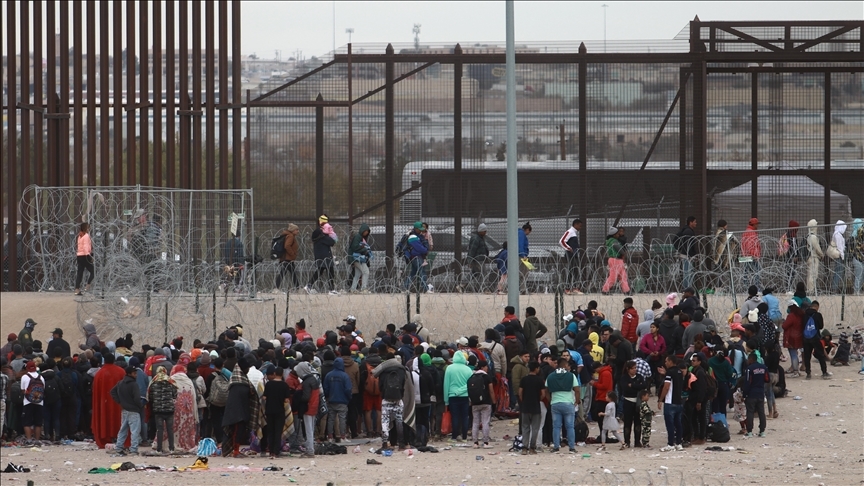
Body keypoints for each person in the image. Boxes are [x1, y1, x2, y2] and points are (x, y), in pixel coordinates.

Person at [223, 362, 260, 458]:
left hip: (239, 411)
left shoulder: (240, 381)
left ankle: (235, 450)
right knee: (237, 431)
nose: (248, 370)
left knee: (239, 431)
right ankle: (235, 451)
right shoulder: (239, 383)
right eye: (247, 368)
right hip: (237, 412)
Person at [373, 354, 407, 450]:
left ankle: (385, 443)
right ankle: (401, 444)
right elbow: (403, 383)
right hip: (398, 399)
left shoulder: (383, 372)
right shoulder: (401, 370)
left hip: (386, 399)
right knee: (399, 421)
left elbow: (380, 386)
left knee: (385, 421)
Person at [546, 356, 579, 453]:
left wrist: (550, 400)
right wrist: (576, 401)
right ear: (565, 365)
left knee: (556, 426)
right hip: (568, 403)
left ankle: (556, 446)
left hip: (555, 403)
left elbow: (546, 390)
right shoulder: (571, 375)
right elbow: (577, 390)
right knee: (570, 426)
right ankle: (571, 447)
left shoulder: (551, 376)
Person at [92, 353, 125, 449]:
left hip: (103, 402)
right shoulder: (121, 372)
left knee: (104, 419)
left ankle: (105, 438)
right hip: (119, 403)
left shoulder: (99, 374)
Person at [110, 364, 143, 456]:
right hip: (134, 411)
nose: (136, 375)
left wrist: (120, 401)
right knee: (135, 431)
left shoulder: (120, 383)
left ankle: (119, 447)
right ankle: (133, 450)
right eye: (134, 373)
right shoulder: (134, 385)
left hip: (124, 410)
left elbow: (112, 392)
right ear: (129, 374)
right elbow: (137, 398)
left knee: (123, 430)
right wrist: (140, 406)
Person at [169, 354, 199, 451]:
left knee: (172, 427)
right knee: (184, 429)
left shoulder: (171, 380)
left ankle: (170, 445)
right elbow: (193, 397)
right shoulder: (188, 381)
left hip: (173, 409)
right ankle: (185, 444)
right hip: (187, 410)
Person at [444, 350, 473, 443]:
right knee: (465, 416)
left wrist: (446, 400)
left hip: (452, 396)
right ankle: (464, 437)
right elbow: (470, 384)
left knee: (455, 416)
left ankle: (454, 436)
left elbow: (446, 384)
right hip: (465, 396)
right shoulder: (468, 369)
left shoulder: (449, 368)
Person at [147, 366, 177, 454]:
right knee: (170, 429)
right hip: (169, 410)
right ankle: (171, 448)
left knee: (159, 429)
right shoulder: (170, 382)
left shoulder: (153, 382)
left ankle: (159, 449)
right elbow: (175, 395)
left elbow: (150, 397)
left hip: (158, 410)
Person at [262, 366, 290, 458]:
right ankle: (276, 451)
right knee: (278, 431)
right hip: (279, 411)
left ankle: (270, 451)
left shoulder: (269, 384)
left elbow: (264, 397)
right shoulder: (284, 385)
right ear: (282, 374)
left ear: (274, 373)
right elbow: (286, 400)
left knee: (270, 431)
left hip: (269, 410)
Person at [658, 355, 684, 452]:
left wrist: (661, 399)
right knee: (678, 424)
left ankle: (670, 444)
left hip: (670, 402)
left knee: (670, 424)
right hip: (679, 401)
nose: (665, 363)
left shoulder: (670, 372)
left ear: (670, 361)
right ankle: (679, 443)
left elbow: (666, 387)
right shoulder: (680, 372)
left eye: (666, 361)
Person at [305, 218, 338, 295]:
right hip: (325, 257)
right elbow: (332, 242)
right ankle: (331, 289)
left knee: (319, 272)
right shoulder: (322, 237)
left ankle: (309, 285)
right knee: (330, 272)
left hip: (320, 257)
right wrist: (331, 234)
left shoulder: (317, 238)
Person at [324, 356, 353, 442]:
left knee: (331, 419)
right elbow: (348, 389)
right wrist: (349, 397)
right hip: (342, 400)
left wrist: (328, 396)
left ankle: (330, 436)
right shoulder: (345, 376)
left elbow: (326, 388)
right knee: (342, 419)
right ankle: (343, 437)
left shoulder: (328, 375)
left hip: (331, 400)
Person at [518, 361, 545, 454]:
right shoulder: (539, 380)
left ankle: (524, 447)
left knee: (525, 427)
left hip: (525, 406)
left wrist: (523, 400)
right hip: (536, 407)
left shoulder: (524, 379)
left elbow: (520, 392)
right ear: (537, 369)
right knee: (535, 428)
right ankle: (532, 448)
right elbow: (543, 394)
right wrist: (538, 399)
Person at [619, 360, 646, 449]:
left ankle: (637, 441)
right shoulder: (624, 378)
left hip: (638, 402)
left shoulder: (639, 377)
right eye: (633, 368)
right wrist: (636, 386)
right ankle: (627, 441)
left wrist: (633, 385)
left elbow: (643, 386)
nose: (635, 370)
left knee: (638, 422)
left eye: (635, 368)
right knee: (627, 423)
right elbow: (625, 388)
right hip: (628, 401)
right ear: (628, 369)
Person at [469, 360, 495, 448]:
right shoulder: (487, 377)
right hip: (486, 402)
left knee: (475, 422)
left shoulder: (472, 377)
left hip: (475, 403)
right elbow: (491, 390)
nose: (487, 368)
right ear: (483, 367)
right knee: (485, 422)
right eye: (486, 366)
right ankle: (486, 442)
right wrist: (494, 402)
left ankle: (475, 442)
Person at [742, 352, 768, 438]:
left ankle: (749, 431)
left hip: (751, 394)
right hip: (760, 392)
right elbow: (767, 379)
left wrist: (744, 394)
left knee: (750, 412)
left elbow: (747, 382)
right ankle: (762, 431)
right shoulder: (764, 367)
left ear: (751, 359)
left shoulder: (749, 369)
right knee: (761, 412)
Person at [802, 301, 830, 380]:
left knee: (807, 356)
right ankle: (824, 372)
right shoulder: (818, 315)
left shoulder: (805, 314)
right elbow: (821, 326)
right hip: (815, 337)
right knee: (821, 354)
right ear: (817, 307)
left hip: (806, 338)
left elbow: (803, 325)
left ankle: (808, 373)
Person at [602, 227, 631, 295]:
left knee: (623, 276)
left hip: (616, 260)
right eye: (617, 234)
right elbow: (621, 250)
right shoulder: (614, 241)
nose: (619, 235)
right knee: (613, 276)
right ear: (614, 234)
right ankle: (605, 290)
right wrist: (624, 252)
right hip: (616, 260)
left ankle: (626, 290)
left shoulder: (609, 241)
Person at [559, 218, 584, 294]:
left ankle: (573, 288)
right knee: (571, 270)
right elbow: (562, 241)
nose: (580, 228)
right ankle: (568, 288)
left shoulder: (574, 233)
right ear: (575, 224)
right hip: (570, 255)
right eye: (579, 226)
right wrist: (568, 248)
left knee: (575, 271)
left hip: (574, 255)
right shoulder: (570, 232)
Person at [273, 224, 300, 293]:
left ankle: (297, 287)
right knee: (285, 273)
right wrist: (292, 254)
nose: (298, 231)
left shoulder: (288, 235)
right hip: (288, 259)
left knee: (291, 273)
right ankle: (276, 288)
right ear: (293, 230)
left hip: (287, 258)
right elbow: (287, 246)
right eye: (296, 230)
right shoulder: (290, 236)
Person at [404, 221, 429, 292]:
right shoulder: (413, 237)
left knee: (413, 273)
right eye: (420, 229)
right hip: (416, 257)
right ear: (416, 229)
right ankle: (425, 289)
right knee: (421, 272)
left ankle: (406, 287)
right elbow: (420, 248)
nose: (421, 230)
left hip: (416, 257)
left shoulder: (418, 236)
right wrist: (425, 250)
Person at [348, 223, 373, 293]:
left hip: (356, 258)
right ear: (362, 230)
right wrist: (364, 249)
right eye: (365, 232)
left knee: (357, 274)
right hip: (357, 258)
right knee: (366, 272)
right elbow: (355, 247)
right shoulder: (358, 237)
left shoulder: (360, 237)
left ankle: (353, 289)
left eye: (367, 232)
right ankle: (363, 288)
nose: (366, 233)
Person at [676, 216, 698, 291]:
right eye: (694, 222)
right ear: (690, 222)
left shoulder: (686, 230)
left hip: (686, 254)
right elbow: (689, 245)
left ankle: (687, 288)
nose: (696, 223)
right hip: (687, 255)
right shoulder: (688, 231)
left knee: (687, 272)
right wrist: (692, 255)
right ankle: (687, 289)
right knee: (687, 273)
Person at [467, 223, 490, 292]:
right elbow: (472, 250)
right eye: (484, 231)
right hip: (478, 260)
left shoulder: (480, 238)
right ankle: (485, 288)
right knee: (484, 274)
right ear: (481, 231)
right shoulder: (476, 239)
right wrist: (470, 261)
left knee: (474, 273)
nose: (486, 233)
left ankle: (462, 284)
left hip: (479, 259)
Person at [74, 222, 95, 295]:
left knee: (80, 273)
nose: (89, 229)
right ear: (86, 228)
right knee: (93, 271)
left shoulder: (80, 236)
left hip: (79, 256)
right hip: (85, 256)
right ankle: (87, 286)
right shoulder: (86, 236)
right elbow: (85, 247)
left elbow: (81, 247)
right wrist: (89, 256)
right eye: (88, 227)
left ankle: (77, 289)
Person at [741, 217, 762, 288]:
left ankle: (745, 287)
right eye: (757, 224)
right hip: (751, 256)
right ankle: (757, 287)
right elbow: (751, 246)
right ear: (754, 224)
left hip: (745, 256)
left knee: (746, 272)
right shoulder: (752, 233)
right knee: (757, 272)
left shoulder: (746, 231)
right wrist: (755, 255)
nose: (757, 226)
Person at [781, 221, 801, 291]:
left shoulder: (787, 234)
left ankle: (788, 288)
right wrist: (795, 255)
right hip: (792, 257)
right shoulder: (793, 235)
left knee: (788, 272)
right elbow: (794, 246)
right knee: (791, 273)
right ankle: (789, 288)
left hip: (787, 256)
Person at [805, 219, 824, 292]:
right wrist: (822, 254)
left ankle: (810, 289)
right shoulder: (813, 237)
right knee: (813, 274)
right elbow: (817, 248)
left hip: (811, 257)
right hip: (813, 257)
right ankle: (811, 290)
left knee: (810, 274)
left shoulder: (809, 235)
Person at [830, 220, 847, 293]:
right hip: (839, 256)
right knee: (838, 272)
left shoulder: (837, 234)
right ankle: (834, 288)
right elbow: (840, 247)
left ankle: (835, 287)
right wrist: (843, 256)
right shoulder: (837, 235)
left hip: (839, 255)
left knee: (838, 271)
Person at [517, 222, 532, 293]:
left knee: (524, 272)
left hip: (521, 255)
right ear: (527, 230)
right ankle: (522, 289)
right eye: (529, 231)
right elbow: (520, 245)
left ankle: (522, 288)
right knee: (524, 272)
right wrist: (523, 255)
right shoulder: (521, 234)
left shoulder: (519, 233)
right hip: (521, 256)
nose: (529, 233)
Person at [851, 219, 864, 295]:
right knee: (858, 274)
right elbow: (857, 248)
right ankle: (856, 291)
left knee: (861, 274)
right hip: (857, 258)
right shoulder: (854, 236)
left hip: (861, 258)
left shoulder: (860, 236)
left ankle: (858, 289)